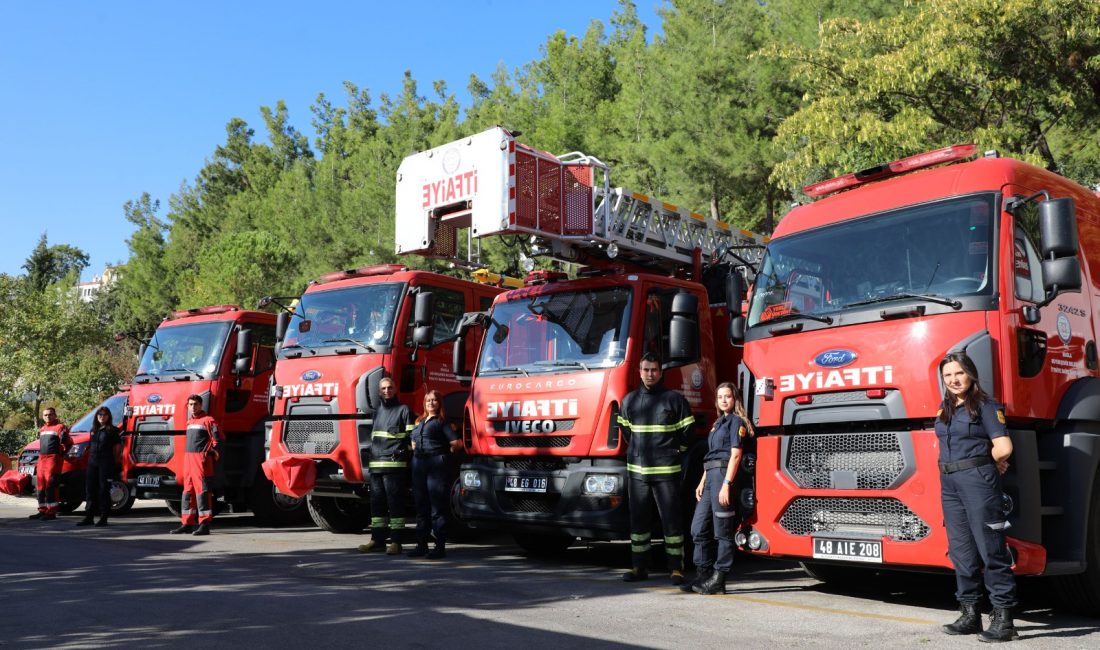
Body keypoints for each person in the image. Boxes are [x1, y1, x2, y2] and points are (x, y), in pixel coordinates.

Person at [936, 351, 1018, 642]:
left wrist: (991, 461)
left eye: (959, 373)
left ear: (970, 374)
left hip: (977, 481)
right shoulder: (945, 409)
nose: (954, 380)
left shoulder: (985, 406)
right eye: (948, 375)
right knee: (961, 550)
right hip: (950, 483)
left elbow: (1004, 446)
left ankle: (1004, 619)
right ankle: (970, 614)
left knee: (990, 548)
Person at [618, 352, 695, 585]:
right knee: (638, 523)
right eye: (646, 370)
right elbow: (626, 432)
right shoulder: (629, 401)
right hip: (638, 473)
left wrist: (672, 452)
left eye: (654, 370)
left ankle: (676, 569)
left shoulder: (674, 400)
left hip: (666, 473)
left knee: (671, 521)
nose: (650, 374)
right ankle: (639, 567)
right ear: (639, 372)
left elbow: (687, 433)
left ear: (660, 372)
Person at [683, 382, 747, 595]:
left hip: (722, 476)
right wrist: (702, 481)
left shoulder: (737, 422)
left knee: (722, 532)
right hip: (710, 475)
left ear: (734, 398)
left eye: (727, 396)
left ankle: (719, 578)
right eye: (720, 397)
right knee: (697, 528)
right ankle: (703, 575)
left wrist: (727, 485)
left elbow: (735, 455)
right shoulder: (718, 423)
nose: (723, 400)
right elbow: (710, 456)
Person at [358, 377, 414, 555]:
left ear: (395, 389)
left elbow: (412, 439)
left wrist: (403, 454)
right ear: (379, 391)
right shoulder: (377, 412)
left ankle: (397, 542)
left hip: (395, 466)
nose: (387, 391)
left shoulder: (404, 410)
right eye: (383, 388)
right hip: (376, 466)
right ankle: (377, 540)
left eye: (390, 387)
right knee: (377, 504)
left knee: (395, 503)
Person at [407, 389, 461, 559]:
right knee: (421, 505)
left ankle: (439, 547)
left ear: (439, 403)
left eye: (434, 400)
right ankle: (421, 545)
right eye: (428, 400)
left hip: (435, 463)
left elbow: (456, 443)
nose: (431, 403)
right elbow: (413, 441)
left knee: (437, 506)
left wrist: (444, 456)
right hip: (418, 464)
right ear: (424, 403)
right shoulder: (419, 421)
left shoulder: (442, 422)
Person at [171, 395, 223, 536]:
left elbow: (218, 442)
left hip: (201, 462)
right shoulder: (189, 422)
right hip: (188, 460)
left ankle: (204, 524)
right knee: (187, 492)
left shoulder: (209, 420)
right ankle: (187, 523)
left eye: (195, 404)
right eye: (190, 404)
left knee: (202, 493)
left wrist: (209, 456)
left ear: (201, 405)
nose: (193, 407)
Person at [77, 407, 122, 527]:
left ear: (108, 417)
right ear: (97, 416)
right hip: (93, 463)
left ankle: (103, 518)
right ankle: (89, 517)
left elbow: (118, 447)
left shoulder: (112, 430)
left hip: (105, 463)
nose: (102, 416)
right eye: (100, 414)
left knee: (103, 490)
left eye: (105, 415)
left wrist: (115, 461)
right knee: (90, 490)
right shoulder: (94, 430)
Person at [30, 407, 73, 521]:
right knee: (40, 487)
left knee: (51, 486)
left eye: (50, 414)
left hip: (53, 459)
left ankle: (51, 512)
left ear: (55, 415)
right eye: (45, 415)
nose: (47, 417)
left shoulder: (60, 427)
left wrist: (61, 454)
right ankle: (42, 510)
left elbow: (69, 443)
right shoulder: (42, 429)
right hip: (42, 459)